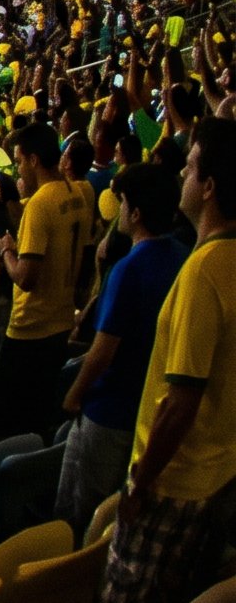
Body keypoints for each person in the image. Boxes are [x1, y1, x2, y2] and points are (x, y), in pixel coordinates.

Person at [90, 116, 236, 603]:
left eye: (191, 166)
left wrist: (139, 484)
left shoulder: (203, 274)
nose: (182, 176)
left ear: (211, 187)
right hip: (216, 473)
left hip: (173, 483)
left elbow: (181, 402)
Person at [59, 162, 187, 530]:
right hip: (146, 407)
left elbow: (103, 351)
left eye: (123, 203)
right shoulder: (182, 255)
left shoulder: (128, 269)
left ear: (136, 213)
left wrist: (74, 393)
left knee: (84, 512)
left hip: (109, 412)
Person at [0, 124, 95, 444]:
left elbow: (26, 277)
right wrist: (12, 204)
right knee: (36, 417)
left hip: (29, 327)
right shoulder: (81, 192)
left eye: (19, 161)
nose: (17, 167)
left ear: (33, 160)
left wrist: (5, 250)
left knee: (1, 422)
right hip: (60, 322)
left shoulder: (40, 205)